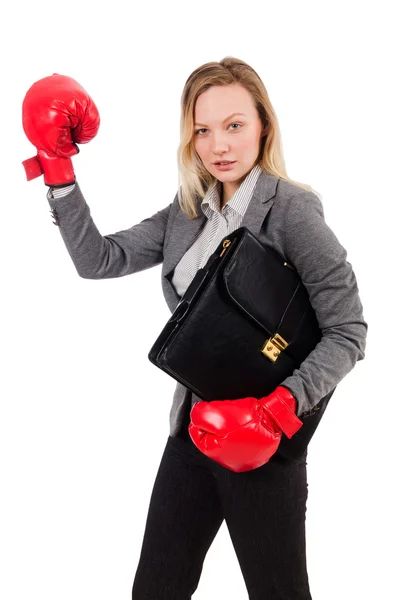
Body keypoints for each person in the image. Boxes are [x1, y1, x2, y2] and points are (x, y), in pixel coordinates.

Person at [22, 57, 367, 599]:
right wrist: (58, 171)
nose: (219, 145)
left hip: (264, 448)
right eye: (203, 130)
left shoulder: (293, 210)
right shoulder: (187, 211)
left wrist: (277, 410)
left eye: (235, 125)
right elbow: (99, 260)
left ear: (263, 126)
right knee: (156, 589)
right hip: (191, 435)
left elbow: (348, 329)